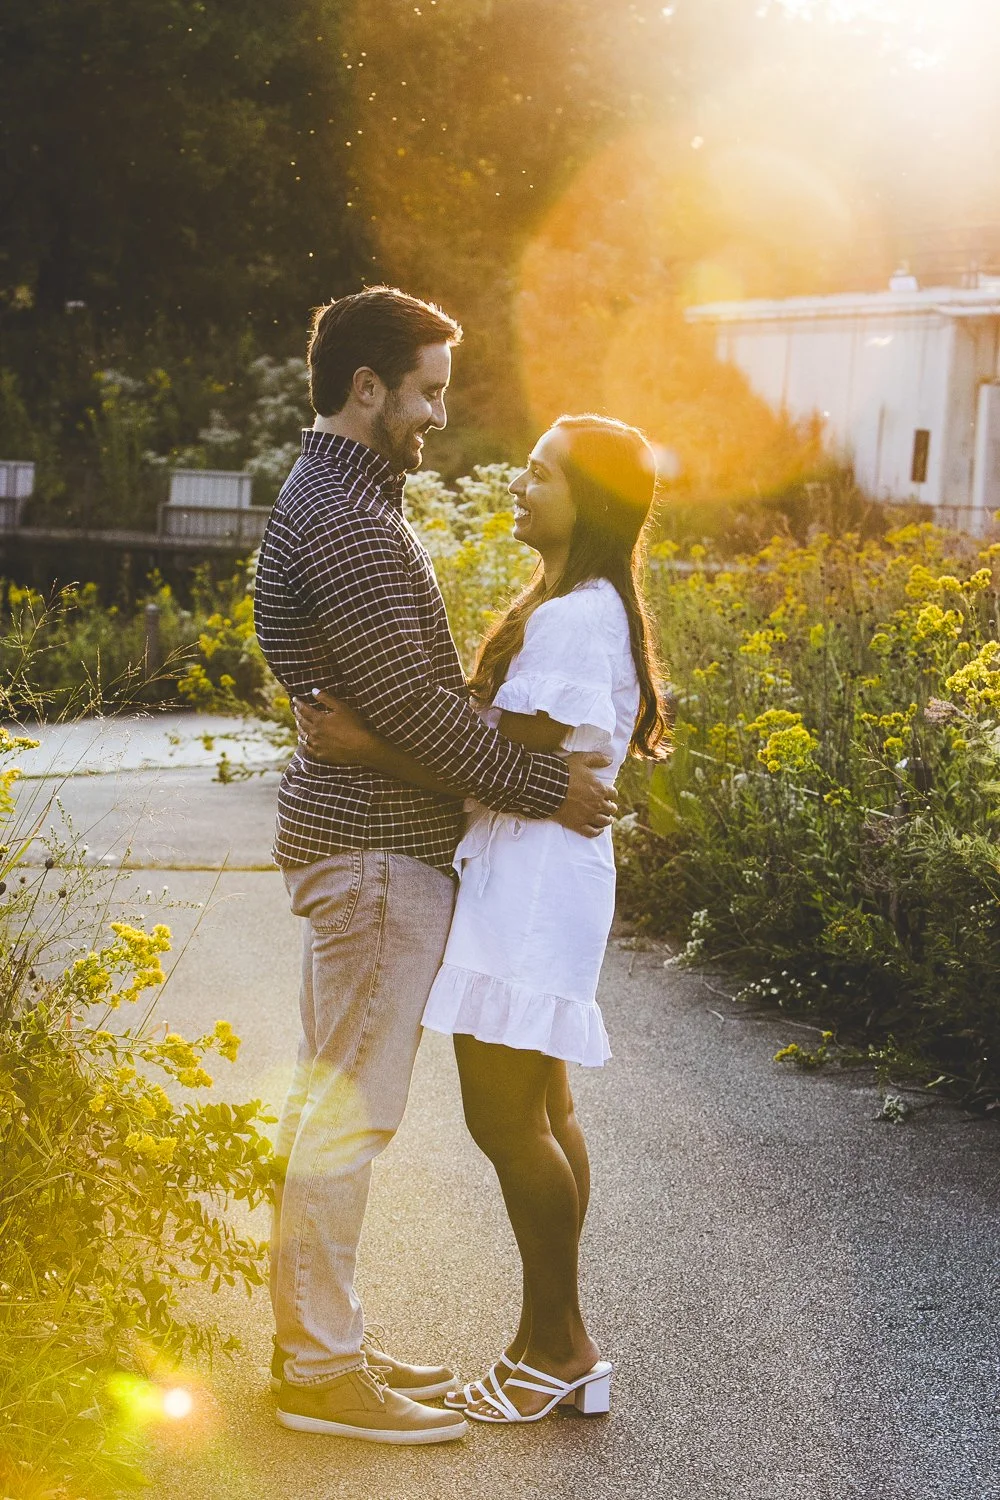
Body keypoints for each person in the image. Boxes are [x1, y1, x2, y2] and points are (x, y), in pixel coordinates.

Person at [252, 286, 618, 1445]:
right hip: (367, 854)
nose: (437, 418)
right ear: (368, 388)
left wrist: (389, 733)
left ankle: (330, 1341)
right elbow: (413, 705)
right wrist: (545, 788)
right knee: (345, 1117)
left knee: (346, 1108)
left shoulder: (349, 503)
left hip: (375, 842)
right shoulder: (350, 523)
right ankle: (318, 1371)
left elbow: (402, 709)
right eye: (427, 391)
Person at [296, 412, 669, 1426]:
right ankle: (550, 1344)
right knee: (542, 1113)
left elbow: (490, 766)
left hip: (528, 879)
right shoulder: (573, 604)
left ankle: (558, 1345)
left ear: (585, 499)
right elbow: (511, 759)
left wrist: (363, 744)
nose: (518, 481)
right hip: (543, 871)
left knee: (507, 1119)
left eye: (540, 472)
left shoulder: (572, 617)